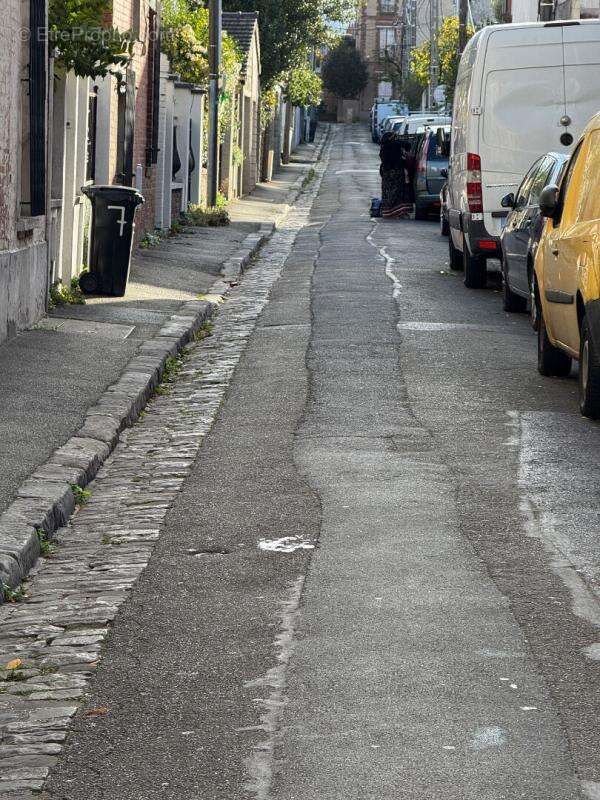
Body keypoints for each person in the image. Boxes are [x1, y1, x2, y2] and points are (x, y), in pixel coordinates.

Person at [379, 134, 412, 218]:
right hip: (396, 172)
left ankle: (388, 212)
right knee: (398, 191)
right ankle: (398, 211)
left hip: (386, 173)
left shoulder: (383, 148)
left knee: (388, 193)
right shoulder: (395, 144)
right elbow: (408, 145)